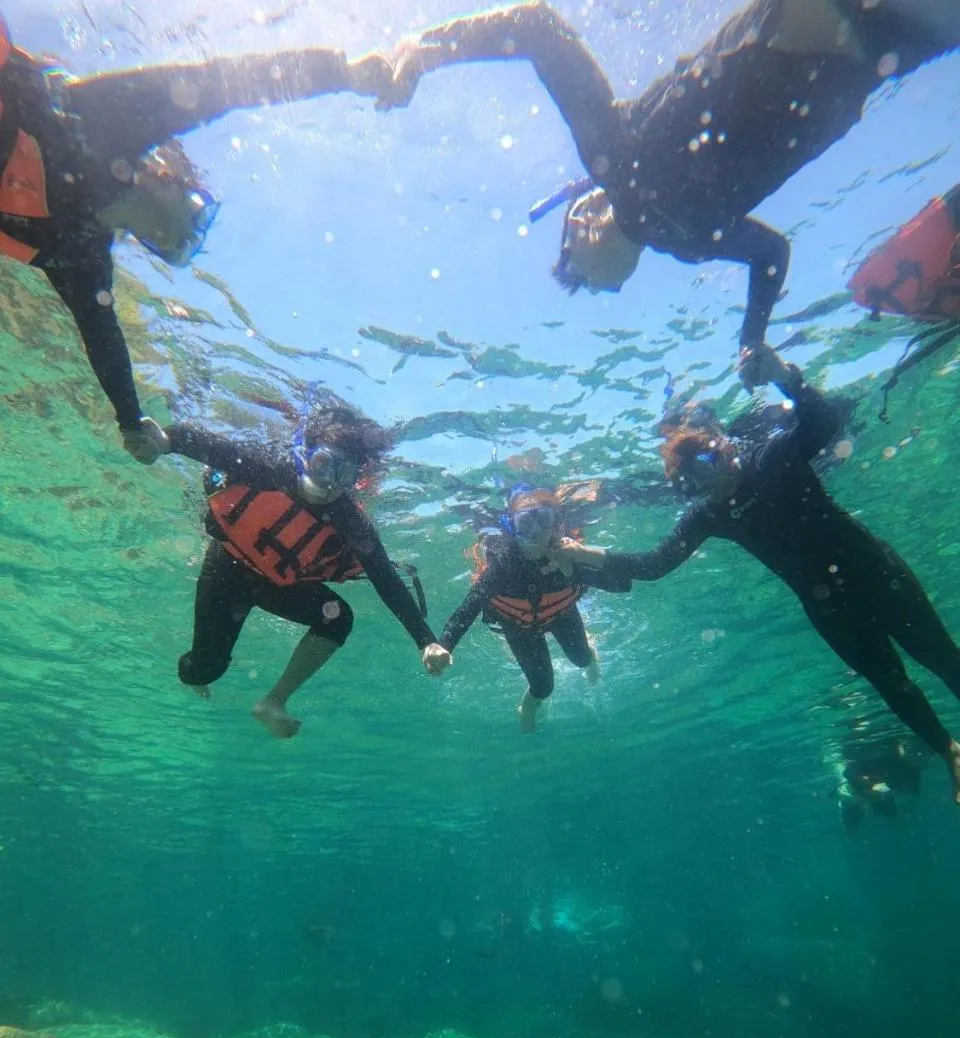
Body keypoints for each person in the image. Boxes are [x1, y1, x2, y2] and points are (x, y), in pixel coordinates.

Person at [373, 0, 959, 383]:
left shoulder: (612, 158)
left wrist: (425, 48)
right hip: (885, 49)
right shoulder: (691, 242)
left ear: (579, 223)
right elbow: (773, 255)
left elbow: (535, 26)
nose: (608, 288)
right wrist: (752, 343)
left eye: (583, 279)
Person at [0, 13, 390, 459]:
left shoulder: (80, 256)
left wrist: (131, 422)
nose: (180, 236)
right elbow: (221, 85)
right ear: (167, 176)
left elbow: (103, 340)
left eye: (183, 244)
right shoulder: (96, 125)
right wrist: (345, 71)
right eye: (194, 220)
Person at [622, 344, 960, 803]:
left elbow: (822, 423)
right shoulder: (711, 514)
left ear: (722, 448)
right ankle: (949, 751)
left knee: (942, 657)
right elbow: (656, 563)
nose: (703, 485)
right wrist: (587, 557)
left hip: (878, 574)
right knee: (891, 686)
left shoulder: (772, 456)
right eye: (689, 485)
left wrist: (785, 375)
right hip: (829, 609)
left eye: (704, 467)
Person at [154, 391, 451, 737]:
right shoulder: (269, 468)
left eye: (344, 475)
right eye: (324, 464)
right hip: (228, 568)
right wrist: (164, 439)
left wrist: (426, 641)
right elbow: (205, 442)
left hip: (280, 586)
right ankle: (196, 674)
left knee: (338, 618)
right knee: (205, 670)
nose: (329, 483)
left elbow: (386, 578)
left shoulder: (349, 519)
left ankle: (274, 701)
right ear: (306, 453)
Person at [423, 486, 636, 731]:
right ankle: (527, 707)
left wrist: (584, 557)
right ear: (513, 528)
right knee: (543, 687)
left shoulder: (569, 556)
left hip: (561, 615)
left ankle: (590, 655)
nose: (535, 533)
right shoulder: (503, 566)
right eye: (525, 523)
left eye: (542, 520)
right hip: (518, 627)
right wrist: (444, 644)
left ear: (556, 526)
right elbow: (468, 608)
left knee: (582, 658)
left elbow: (623, 584)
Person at [826, 728, 926, 833]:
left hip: (874, 784)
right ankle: (852, 830)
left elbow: (910, 783)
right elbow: (850, 776)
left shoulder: (898, 761)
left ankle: (892, 825)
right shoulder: (866, 760)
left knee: (888, 811)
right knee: (852, 811)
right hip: (860, 787)